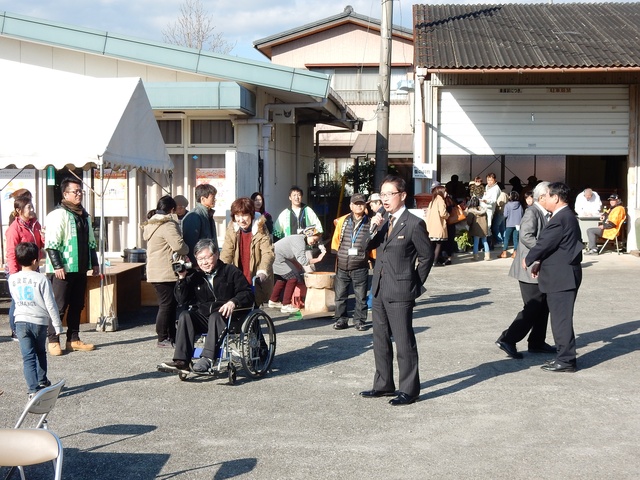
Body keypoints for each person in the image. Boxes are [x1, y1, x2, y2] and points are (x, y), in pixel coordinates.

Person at [360, 175, 434, 406]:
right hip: (380, 289)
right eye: (382, 195)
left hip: (401, 290)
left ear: (402, 195)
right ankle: (383, 384)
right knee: (380, 339)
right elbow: (364, 248)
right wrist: (374, 227)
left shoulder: (413, 223)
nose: (385, 199)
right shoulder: (382, 223)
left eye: (389, 194)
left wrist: (414, 284)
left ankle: (409, 389)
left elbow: (426, 256)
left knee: (403, 341)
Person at [159, 239, 255, 373]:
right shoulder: (196, 276)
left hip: (229, 318)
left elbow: (247, 293)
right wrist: (182, 278)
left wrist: (233, 301)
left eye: (207, 258)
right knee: (185, 315)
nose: (204, 262)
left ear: (216, 254)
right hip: (206, 318)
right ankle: (182, 361)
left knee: (216, 316)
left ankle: (208, 358)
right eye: (199, 259)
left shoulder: (231, 271)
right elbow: (182, 299)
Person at [524, 182, 583, 372]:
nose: (544, 200)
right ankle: (564, 357)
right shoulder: (566, 216)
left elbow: (545, 243)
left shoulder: (561, 218)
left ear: (556, 198)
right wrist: (541, 262)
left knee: (561, 320)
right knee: (560, 319)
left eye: (547, 196)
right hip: (562, 274)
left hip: (561, 277)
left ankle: (566, 360)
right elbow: (559, 247)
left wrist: (530, 258)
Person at [496, 182, 556, 359]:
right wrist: (543, 248)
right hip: (529, 268)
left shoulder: (543, 213)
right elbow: (526, 236)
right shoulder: (532, 212)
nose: (553, 198)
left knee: (543, 306)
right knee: (533, 307)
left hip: (538, 266)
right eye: (551, 195)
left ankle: (537, 342)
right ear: (542, 197)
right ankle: (508, 338)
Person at [44, 177, 99, 356]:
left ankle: (73, 339)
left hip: (80, 267)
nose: (79, 194)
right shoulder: (58, 214)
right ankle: (53, 339)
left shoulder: (84, 215)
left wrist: (95, 263)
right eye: (75, 191)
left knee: (77, 305)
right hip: (63, 269)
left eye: (80, 191)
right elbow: (51, 243)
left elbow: (91, 242)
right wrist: (57, 265)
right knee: (59, 306)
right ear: (65, 194)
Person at [9, 242, 63, 396]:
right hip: (39, 321)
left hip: (20, 321)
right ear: (35, 261)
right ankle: (42, 381)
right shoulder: (41, 279)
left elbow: (15, 302)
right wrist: (57, 326)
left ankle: (33, 390)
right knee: (40, 352)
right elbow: (51, 304)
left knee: (28, 357)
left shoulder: (12, 279)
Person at [141, 195, 189, 348]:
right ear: (172, 209)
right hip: (165, 270)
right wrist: (188, 249)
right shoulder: (167, 224)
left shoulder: (151, 224)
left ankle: (170, 335)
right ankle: (162, 337)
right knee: (167, 305)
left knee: (169, 304)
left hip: (155, 270)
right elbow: (178, 245)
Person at [221, 197, 274, 307]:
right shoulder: (232, 229)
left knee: (253, 307)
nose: (241, 220)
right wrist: (221, 270)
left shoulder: (260, 228)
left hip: (255, 275)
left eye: (244, 215)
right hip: (238, 275)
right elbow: (227, 251)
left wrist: (263, 271)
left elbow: (267, 252)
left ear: (251, 214)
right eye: (237, 216)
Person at [5, 195, 43, 341]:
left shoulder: (35, 224)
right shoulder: (14, 228)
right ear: (18, 210)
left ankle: (33, 326)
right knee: (18, 299)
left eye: (32, 206)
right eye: (28, 207)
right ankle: (15, 330)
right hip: (19, 270)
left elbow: (41, 242)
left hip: (33, 266)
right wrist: (14, 274)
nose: (32, 209)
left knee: (34, 297)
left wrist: (45, 237)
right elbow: (11, 252)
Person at [331, 193, 371, 331]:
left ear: (365, 205)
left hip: (360, 265)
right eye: (356, 203)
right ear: (351, 206)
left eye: (361, 203)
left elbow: (373, 245)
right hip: (342, 264)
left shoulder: (370, 222)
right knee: (340, 296)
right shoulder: (343, 221)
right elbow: (336, 238)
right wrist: (337, 254)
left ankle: (359, 320)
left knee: (361, 296)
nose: (359, 206)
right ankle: (341, 320)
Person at [268, 228, 325, 313]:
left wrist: (296, 263)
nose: (315, 242)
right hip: (276, 257)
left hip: (275, 255)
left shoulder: (299, 239)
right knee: (292, 278)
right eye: (314, 239)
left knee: (282, 278)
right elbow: (303, 261)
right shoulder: (300, 242)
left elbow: (292, 254)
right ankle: (286, 305)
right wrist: (318, 259)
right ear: (308, 235)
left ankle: (273, 300)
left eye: (316, 241)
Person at [182, 184, 218, 263]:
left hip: (208, 261)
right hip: (199, 263)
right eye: (213, 198)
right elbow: (190, 242)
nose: (215, 200)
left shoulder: (207, 214)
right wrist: (195, 263)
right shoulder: (195, 215)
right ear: (203, 199)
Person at [425, 183, 449, 265]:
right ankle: (435, 262)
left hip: (431, 226)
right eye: (445, 192)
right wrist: (448, 215)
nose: (446, 194)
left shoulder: (433, 200)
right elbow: (443, 213)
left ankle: (432, 261)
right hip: (438, 225)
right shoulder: (440, 200)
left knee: (432, 245)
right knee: (438, 244)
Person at [466, 196, 491, 261]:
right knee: (485, 241)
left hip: (476, 228)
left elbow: (469, 221)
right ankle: (487, 256)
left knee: (476, 242)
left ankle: (475, 256)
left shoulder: (471, 211)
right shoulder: (483, 210)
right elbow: (486, 219)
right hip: (484, 228)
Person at [500, 191, 523, 258]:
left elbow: (505, 215)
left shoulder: (507, 205)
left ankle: (504, 252)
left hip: (509, 223)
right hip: (518, 224)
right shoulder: (520, 205)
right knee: (515, 238)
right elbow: (522, 214)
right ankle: (515, 252)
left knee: (506, 238)